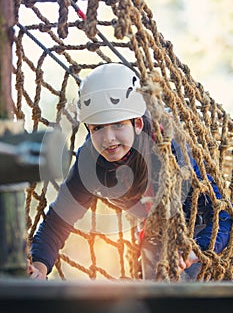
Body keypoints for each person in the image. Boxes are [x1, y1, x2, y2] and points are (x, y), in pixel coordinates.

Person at [27, 63, 232, 280]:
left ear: (137, 124)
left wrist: (193, 252)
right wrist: (39, 269)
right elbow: (57, 222)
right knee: (154, 288)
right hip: (154, 226)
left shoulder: (169, 150)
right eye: (97, 128)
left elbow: (222, 213)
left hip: (197, 222)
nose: (108, 139)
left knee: (190, 282)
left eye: (117, 125)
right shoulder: (90, 164)